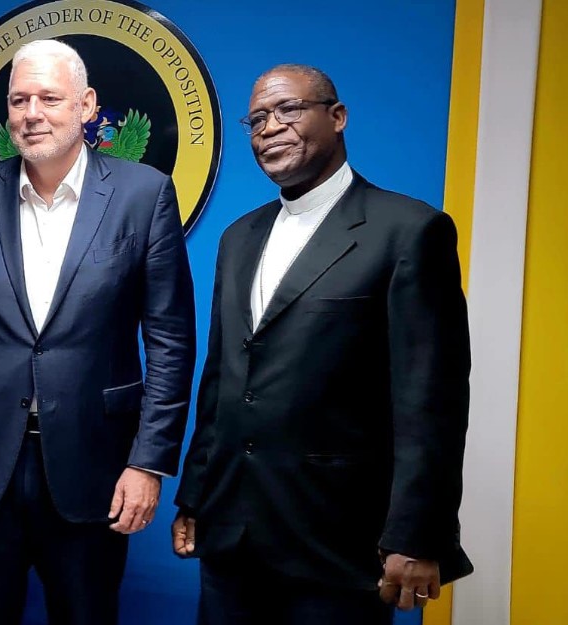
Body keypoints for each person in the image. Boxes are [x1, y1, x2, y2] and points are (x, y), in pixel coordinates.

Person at [0, 38, 196, 625]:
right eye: (18, 100)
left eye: (49, 97)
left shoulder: (144, 196)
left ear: (87, 105)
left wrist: (149, 463)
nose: (31, 113)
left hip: (96, 461)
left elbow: (170, 341)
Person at [172, 64, 472, 625]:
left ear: (337, 118)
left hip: (337, 542)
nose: (269, 128)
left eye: (288, 110)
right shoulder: (239, 238)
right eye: (257, 118)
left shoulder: (409, 230)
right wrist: (193, 495)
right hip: (230, 534)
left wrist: (417, 533)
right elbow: (224, 379)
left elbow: (432, 400)